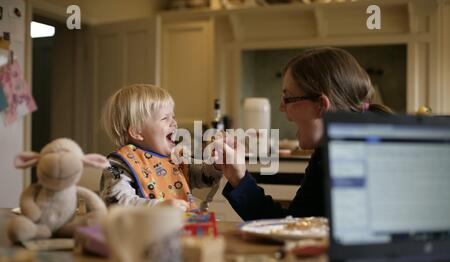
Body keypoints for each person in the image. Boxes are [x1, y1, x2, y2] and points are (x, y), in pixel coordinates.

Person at [219, 47, 394, 220]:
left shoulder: (357, 156)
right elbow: (295, 225)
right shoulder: (328, 150)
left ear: (321, 105)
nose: (281, 107)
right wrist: (239, 177)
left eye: (288, 98)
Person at [99, 84, 222, 212]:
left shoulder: (176, 158)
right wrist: (158, 207)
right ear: (137, 132)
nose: (174, 123)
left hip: (182, 229)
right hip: (144, 230)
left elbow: (203, 177)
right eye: (165, 118)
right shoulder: (120, 164)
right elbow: (115, 202)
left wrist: (216, 165)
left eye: (173, 117)